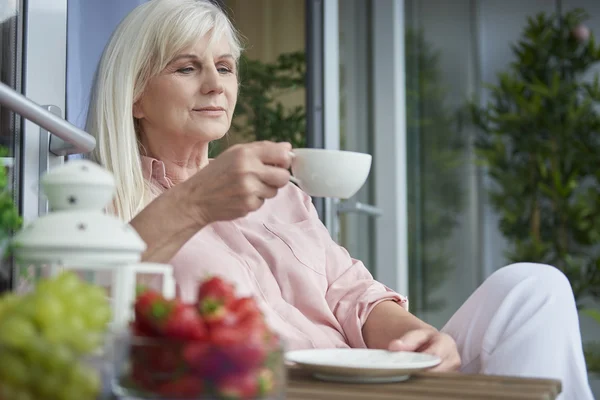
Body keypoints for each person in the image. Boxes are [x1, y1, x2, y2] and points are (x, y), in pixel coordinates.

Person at [85, 0, 593, 398]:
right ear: (134, 93)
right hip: (271, 391)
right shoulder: (106, 206)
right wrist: (196, 200)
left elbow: (351, 292)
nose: (216, 85)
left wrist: (417, 339)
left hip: (369, 385)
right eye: (187, 68)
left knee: (533, 286)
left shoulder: (277, 193)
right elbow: (92, 303)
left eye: (225, 66)